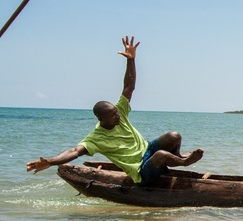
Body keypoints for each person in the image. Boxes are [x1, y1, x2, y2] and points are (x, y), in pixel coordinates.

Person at [27, 36, 204, 184]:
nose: (118, 115)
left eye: (116, 112)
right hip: (142, 171)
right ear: (102, 119)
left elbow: (129, 86)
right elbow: (74, 151)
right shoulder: (96, 139)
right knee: (160, 155)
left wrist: (131, 59)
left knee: (173, 136)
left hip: (147, 151)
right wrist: (50, 161)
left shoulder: (119, 111)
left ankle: (177, 157)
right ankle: (183, 162)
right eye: (113, 115)